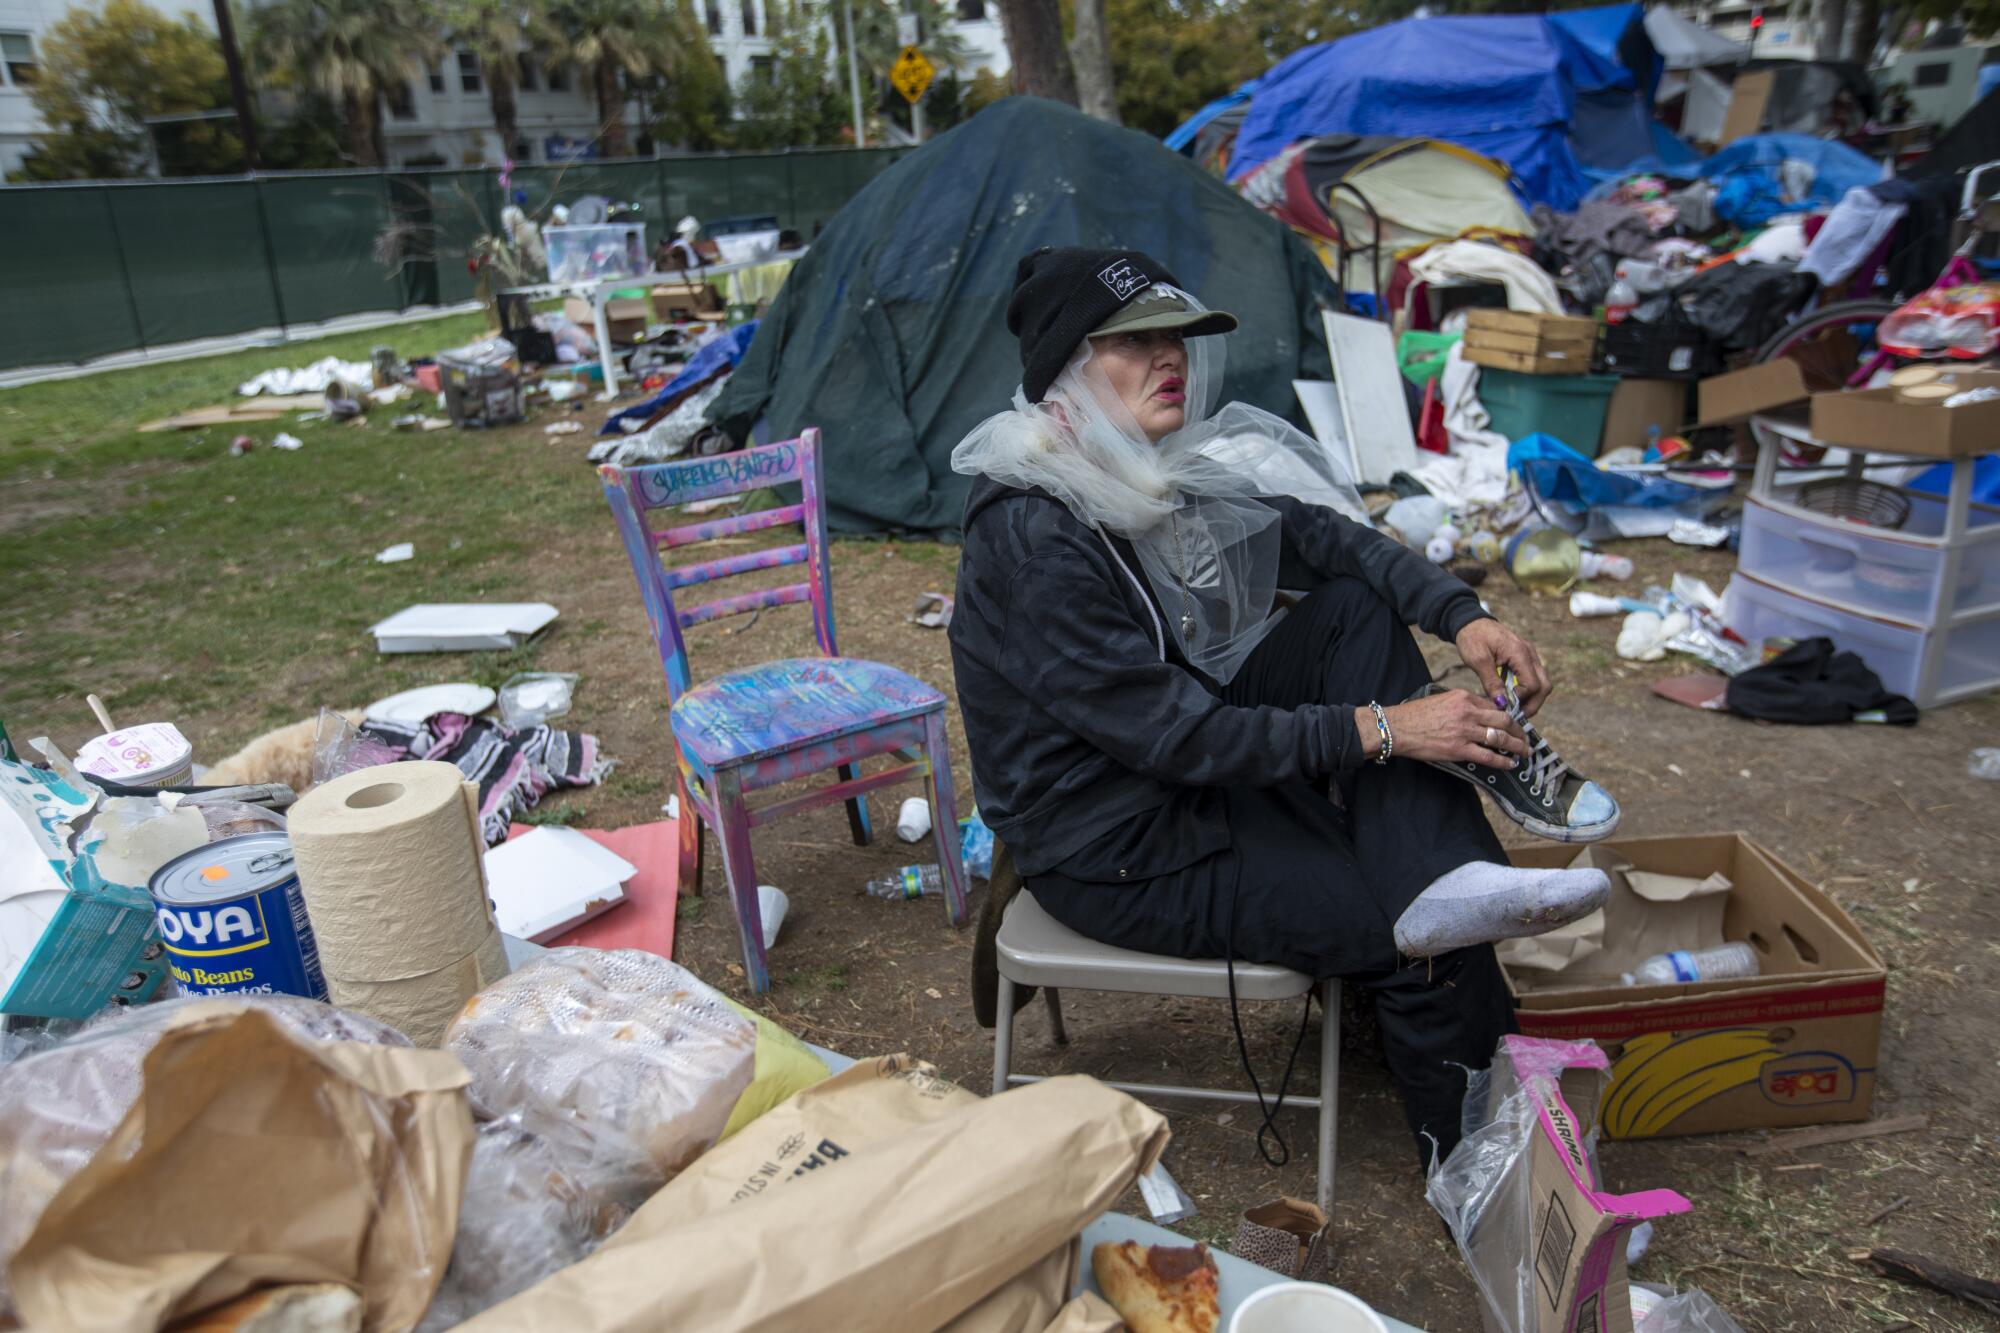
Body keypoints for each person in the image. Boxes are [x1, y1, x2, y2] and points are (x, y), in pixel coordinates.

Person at [948, 247, 1619, 1162]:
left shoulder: (1135, 464)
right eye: (1134, 341)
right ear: (1068, 365)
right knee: (1397, 922)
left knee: (1351, 611)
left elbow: (1321, 535)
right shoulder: (1038, 536)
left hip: (1179, 761)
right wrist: (1390, 730)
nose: (1170, 356)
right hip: (1116, 844)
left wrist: (1463, 613)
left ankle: (1445, 883)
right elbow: (1176, 736)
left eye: (1175, 337)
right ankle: (1486, 1170)